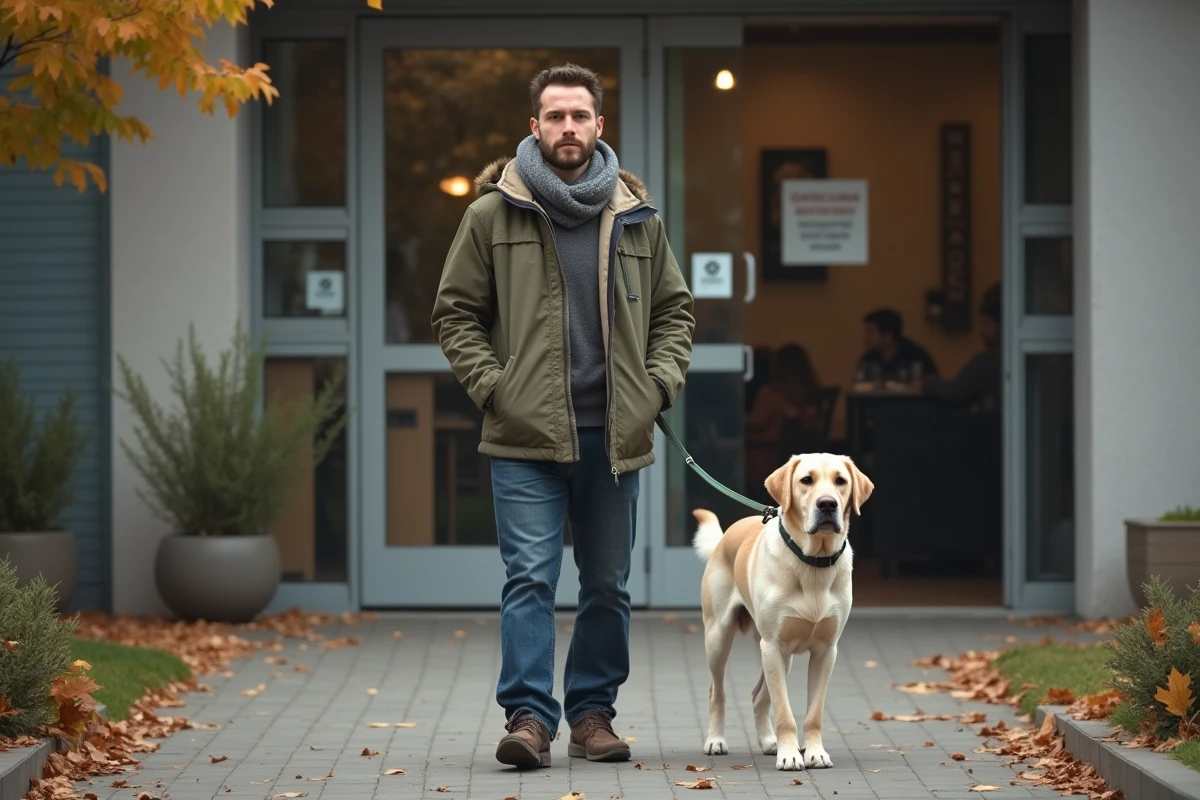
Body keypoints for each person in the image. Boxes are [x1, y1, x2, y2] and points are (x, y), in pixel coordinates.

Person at [430, 63, 694, 770]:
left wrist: (658, 387)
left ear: (599, 125)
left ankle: (593, 715)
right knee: (530, 580)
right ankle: (528, 719)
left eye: (580, 116)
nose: (568, 128)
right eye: (555, 116)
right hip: (524, 436)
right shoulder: (492, 212)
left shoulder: (637, 215)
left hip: (612, 436)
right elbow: (455, 314)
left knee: (607, 585)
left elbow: (675, 313)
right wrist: (496, 389)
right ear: (535, 126)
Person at [922, 283, 1002, 411]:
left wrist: (926, 382)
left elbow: (955, 392)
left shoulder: (988, 361)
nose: (982, 332)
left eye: (986, 325)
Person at [855, 307, 938, 384]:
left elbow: (934, 389)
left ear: (888, 336)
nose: (865, 337)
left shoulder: (917, 357)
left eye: (870, 332)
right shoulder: (868, 359)